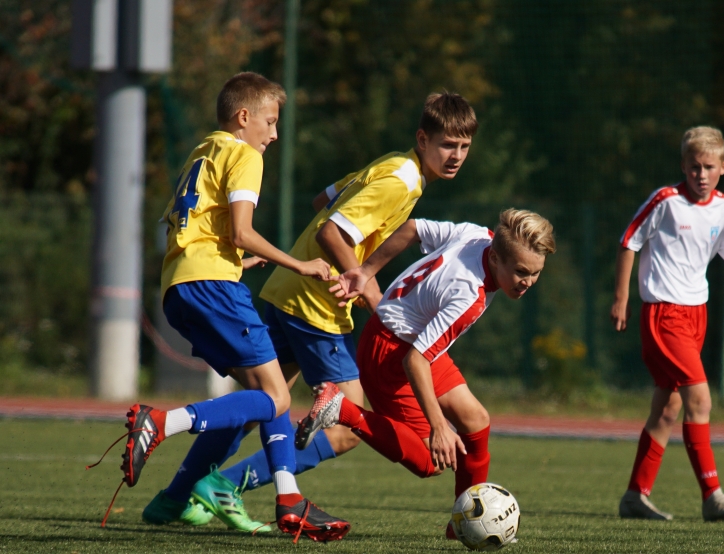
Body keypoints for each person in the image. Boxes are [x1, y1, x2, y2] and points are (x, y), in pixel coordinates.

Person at [185, 92, 479, 528]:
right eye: (447, 145)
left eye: (464, 147)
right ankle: (223, 485)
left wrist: (359, 269)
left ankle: (179, 494)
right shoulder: (403, 178)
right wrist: (367, 289)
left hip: (288, 290)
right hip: (314, 306)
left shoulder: (390, 164)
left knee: (262, 404)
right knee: (344, 427)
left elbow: (323, 200)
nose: (455, 156)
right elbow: (330, 231)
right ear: (422, 138)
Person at [93, 72, 348, 542]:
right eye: (270, 122)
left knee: (260, 394)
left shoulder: (203, 150)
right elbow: (242, 231)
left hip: (181, 287)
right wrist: (302, 265)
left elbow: (207, 229)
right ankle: (164, 422)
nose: (274, 134)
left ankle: (199, 497)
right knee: (278, 396)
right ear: (244, 117)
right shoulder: (244, 154)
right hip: (212, 287)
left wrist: (236, 261)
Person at [297, 208, 556, 541]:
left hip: (411, 341)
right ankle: (341, 408)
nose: (529, 282)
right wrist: (438, 428)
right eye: (521, 272)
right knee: (430, 463)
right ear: (495, 259)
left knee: (475, 420)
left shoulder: (476, 234)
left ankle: (462, 525)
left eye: (536, 273)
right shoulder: (469, 296)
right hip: (391, 354)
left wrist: (365, 271)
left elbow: (411, 228)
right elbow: (415, 361)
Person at [610, 126, 724, 522]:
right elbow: (629, 242)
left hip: (695, 316)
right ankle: (712, 495)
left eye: (709, 167)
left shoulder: (723, 209)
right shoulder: (665, 201)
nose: (700, 174)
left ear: (723, 168)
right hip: (663, 315)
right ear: (683, 165)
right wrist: (621, 298)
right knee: (700, 400)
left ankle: (635, 496)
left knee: (668, 409)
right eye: (694, 166)